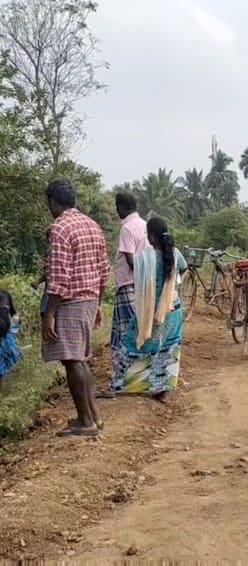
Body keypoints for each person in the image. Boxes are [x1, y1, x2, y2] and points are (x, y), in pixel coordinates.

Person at [42, 179, 110, 437]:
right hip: (90, 299)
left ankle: (85, 421)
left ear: (52, 202)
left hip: (70, 302)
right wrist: (98, 304)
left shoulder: (60, 228)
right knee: (80, 360)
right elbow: (104, 271)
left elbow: (59, 276)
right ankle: (93, 416)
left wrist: (50, 313)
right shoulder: (92, 225)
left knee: (72, 361)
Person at [112, 217, 187, 403]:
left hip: (149, 310)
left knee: (131, 343)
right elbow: (184, 270)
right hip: (173, 308)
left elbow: (134, 271)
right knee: (168, 348)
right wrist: (173, 284)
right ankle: (163, 388)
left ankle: (127, 382)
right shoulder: (176, 254)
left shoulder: (145, 257)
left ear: (152, 236)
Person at [99, 192, 149, 398]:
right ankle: (138, 378)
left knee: (123, 335)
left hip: (129, 286)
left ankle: (121, 382)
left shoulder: (127, 227)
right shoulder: (144, 225)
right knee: (139, 332)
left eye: (116, 206)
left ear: (121, 206)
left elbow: (130, 260)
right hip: (142, 287)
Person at [0, 289, 22, 380]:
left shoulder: (6, 294)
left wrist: (16, 321)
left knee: (4, 367)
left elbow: (13, 313)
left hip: (6, 338)